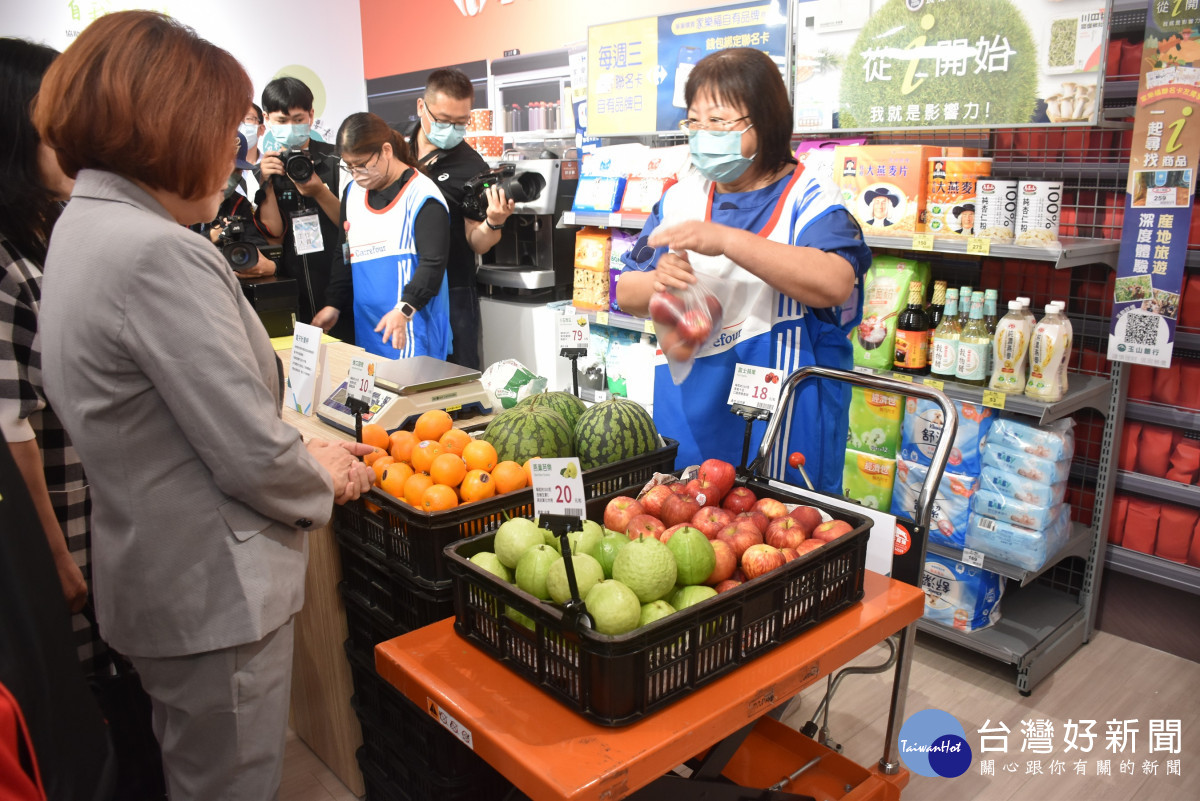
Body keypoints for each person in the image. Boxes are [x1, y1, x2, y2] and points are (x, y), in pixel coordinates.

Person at [32, 11, 375, 800]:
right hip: (210, 588)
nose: (238, 149)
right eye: (226, 129)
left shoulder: (84, 227)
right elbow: (248, 449)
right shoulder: (156, 253)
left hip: (154, 568)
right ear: (164, 126)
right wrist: (318, 472)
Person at [616, 48, 871, 494]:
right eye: (694, 122)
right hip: (693, 408)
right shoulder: (682, 196)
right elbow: (626, 292)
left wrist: (727, 241)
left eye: (719, 121)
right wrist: (659, 281)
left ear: (765, 121)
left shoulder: (809, 196)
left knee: (781, 540)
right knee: (691, 536)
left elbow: (834, 282)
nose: (702, 135)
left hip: (785, 416)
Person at [0, 37, 104, 672]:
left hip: (93, 515)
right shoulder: (8, 266)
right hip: (61, 523)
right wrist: (54, 552)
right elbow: (10, 426)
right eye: (53, 128)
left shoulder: (49, 235)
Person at [315, 112, 453, 359]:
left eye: (362, 164)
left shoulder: (422, 195)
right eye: (349, 166)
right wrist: (333, 303)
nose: (356, 174)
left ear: (386, 150)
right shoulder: (353, 194)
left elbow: (433, 263)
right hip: (369, 330)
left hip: (411, 329)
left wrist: (404, 309)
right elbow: (344, 252)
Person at [402, 67, 515, 369]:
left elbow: (477, 242)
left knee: (456, 383)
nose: (451, 129)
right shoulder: (395, 148)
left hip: (452, 291)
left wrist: (494, 222)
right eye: (442, 120)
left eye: (460, 122)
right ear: (420, 107)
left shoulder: (471, 166)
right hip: (398, 282)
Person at [254, 76, 353, 341]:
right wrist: (266, 184)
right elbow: (273, 234)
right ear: (267, 120)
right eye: (282, 121)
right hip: (294, 283)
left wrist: (319, 192)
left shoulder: (337, 160)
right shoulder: (268, 169)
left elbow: (352, 226)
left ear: (311, 115)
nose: (291, 127)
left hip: (340, 283)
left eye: (298, 120)